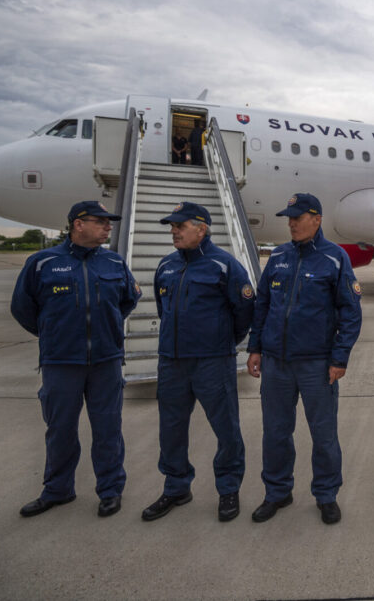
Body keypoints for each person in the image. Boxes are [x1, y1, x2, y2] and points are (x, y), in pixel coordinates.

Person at [10, 201, 141, 518]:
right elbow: (22, 309)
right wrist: (55, 334)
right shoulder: (42, 262)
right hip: (61, 363)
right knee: (60, 429)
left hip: (105, 362)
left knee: (108, 430)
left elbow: (127, 301)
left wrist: (103, 332)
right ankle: (57, 490)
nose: (108, 226)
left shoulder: (114, 262)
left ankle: (110, 491)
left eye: (109, 222)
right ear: (78, 224)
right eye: (101, 221)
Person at [247, 193, 362, 525]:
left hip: (317, 365)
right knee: (275, 433)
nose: (292, 223)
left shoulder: (335, 258)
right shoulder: (279, 255)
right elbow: (263, 305)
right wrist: (255, 348)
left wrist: (339, 358)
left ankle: (326, 495)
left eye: (298, 217)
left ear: (317, 218)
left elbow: (351, 314)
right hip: (276, 364)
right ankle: (277, 492)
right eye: (289, 218)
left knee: (323, 435)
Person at [141, 202, 254, 523]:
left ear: (201, 229)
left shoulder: (224, 266)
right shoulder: (165, 266)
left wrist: (219, 342)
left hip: (213, 362)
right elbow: (166, 312)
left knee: (226, 428)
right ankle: (177, 487)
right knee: (171, 429)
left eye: (180, 225)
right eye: (172, 226)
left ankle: (228, 489)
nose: (174, 231)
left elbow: (244, 312)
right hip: (172, 362)